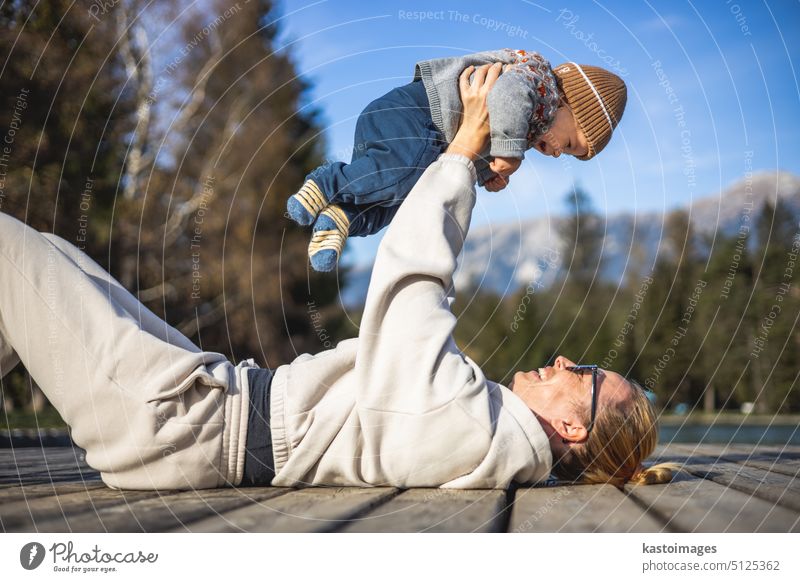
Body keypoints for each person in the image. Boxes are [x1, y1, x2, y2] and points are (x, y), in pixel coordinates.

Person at [0, 64, 671, 492]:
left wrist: (465, 154)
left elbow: (409, 289)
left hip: (181, 423)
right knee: (47, 255)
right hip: (206, 405)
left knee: (9, 251)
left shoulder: (475, 430)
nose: (563, 359)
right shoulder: (488, 430)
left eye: (582, 372)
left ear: (573, 429)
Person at [286, 49, 627, 272]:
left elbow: (471, 143)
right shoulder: (538, 81)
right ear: (569, 102)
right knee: (399, 174)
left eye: (566, 154)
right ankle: (328, 181)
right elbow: (508, 94)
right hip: (414, 115)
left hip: (422, 141)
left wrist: (485, 173)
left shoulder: (527, 123)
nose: (556, 152)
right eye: (568, 143)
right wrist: (508, 152)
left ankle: (341, 218)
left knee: (398, 202)